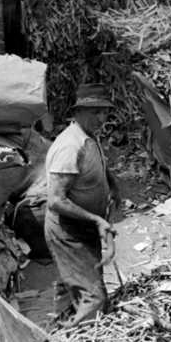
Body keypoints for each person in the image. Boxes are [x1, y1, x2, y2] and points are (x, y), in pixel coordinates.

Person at [44, 84, 120, 326]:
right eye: (95, 112)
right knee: (95, 299)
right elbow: (56, 200)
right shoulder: (69, 146)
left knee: (78, 285)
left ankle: (62, 323)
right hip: (69, 231)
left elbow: (97, 165)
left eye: (104, 112)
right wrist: (97, 219)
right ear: (78, 112)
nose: (101, 118)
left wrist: (112, 185)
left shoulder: (88, 137)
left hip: (84, 228)